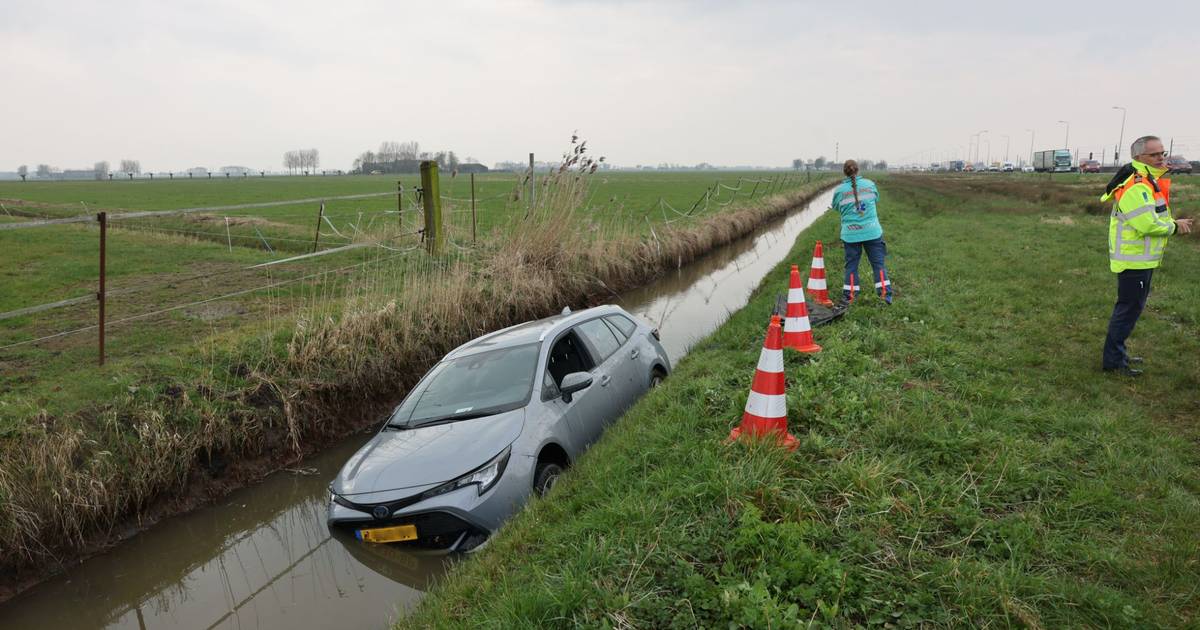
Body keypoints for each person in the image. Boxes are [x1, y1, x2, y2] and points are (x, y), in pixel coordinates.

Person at [1100, 135, 1192, 376]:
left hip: (1141, 259)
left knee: (1131, 309)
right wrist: (1175, 226)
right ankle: (1113, 362)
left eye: (1162, 153)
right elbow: (1147, 225)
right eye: (1154, 154)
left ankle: (1118, 354)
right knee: (1128, 310)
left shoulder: (1148, 180)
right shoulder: (1137, 185)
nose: (1161, 158)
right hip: (1133, 260)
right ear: (1139, 157)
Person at [832, 160, 890, 304]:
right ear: (858, 170)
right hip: (873, 232)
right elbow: (876, 199)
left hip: (850, 235)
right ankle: (885, 296)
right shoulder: (870, 184)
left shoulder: (839, 190)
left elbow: (836, 207)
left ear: (844, 172)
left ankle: (850, 297)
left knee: (851, 265)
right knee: (878, 264)